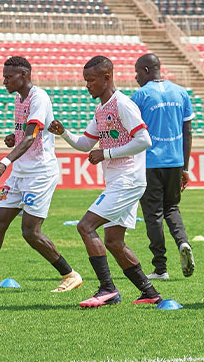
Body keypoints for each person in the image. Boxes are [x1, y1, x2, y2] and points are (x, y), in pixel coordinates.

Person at [0, 56, 82, 294]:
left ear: (24, 75)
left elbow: (32, 137)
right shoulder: (19, 100)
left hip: (40, 173)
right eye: (4, 76)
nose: (4, 81)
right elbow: (25, 134)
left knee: (30, 231)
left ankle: (70, 274)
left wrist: (4, 162)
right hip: (20, 173)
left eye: (9, 77)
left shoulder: (39, 98)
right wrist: (14, 137)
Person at [53, 56, 162, 307]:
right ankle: (150, 293)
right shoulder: (101, 109)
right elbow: (85, 144)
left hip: (128, 180)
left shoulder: (122, 104)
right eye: (85, 81)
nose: (87, 85)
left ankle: (107, 289)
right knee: (114, 241)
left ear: (106, 78)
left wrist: (107, 153)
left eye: (91, 80)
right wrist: (64, 133)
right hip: (118, 181)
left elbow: (144, 140)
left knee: (85, 226)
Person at [132, 54, 195, 281]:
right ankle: (183, 242)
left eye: (138, 71)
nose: (136, 76)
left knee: (153, 215)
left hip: (149, 163)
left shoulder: (140, 96)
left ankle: (160, 268)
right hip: (175, 161)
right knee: (172, 208)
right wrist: (185, 167)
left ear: (147, 70)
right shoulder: (180, 92)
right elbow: (188, 132)